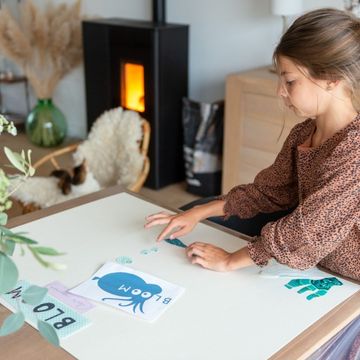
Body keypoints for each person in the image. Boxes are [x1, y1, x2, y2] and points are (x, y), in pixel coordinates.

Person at [145, 8, 360, 282]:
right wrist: (199, 212)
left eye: (290, 81)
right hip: (315, 251)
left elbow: (306, 231)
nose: (280, 91)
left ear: (331, 79)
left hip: (348, 270)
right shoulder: (304, 133)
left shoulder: (354, 150)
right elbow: (268, 192)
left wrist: (230, 260)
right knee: (198, 207)